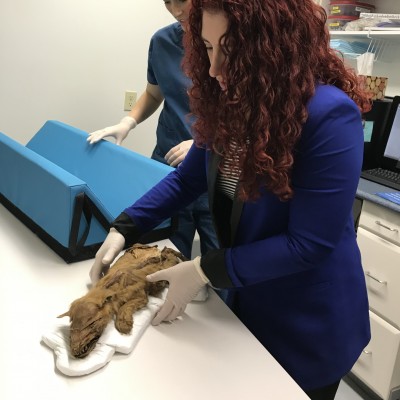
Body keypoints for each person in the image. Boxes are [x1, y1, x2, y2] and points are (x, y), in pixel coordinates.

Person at [89, 1, 371, 399]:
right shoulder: (232, 102)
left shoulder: (329, 115)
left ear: (272, 46)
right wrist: (125, 225)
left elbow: (309, 243)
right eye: (206, 47)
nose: (216, 68)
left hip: (308, 319)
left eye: (231, 48)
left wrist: (204, 269)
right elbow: (186, 182)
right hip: (249, 297)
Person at [87, 0, 218, 261]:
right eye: (167, 2)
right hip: (168, 165)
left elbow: (252, 111)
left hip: (216, 169)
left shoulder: (228, 43)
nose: (176, 10)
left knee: (219, 263)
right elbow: (154, 92)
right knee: (164, 255)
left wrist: (207, 142)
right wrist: (128, 122)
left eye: (182, 0)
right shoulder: (163, 41)